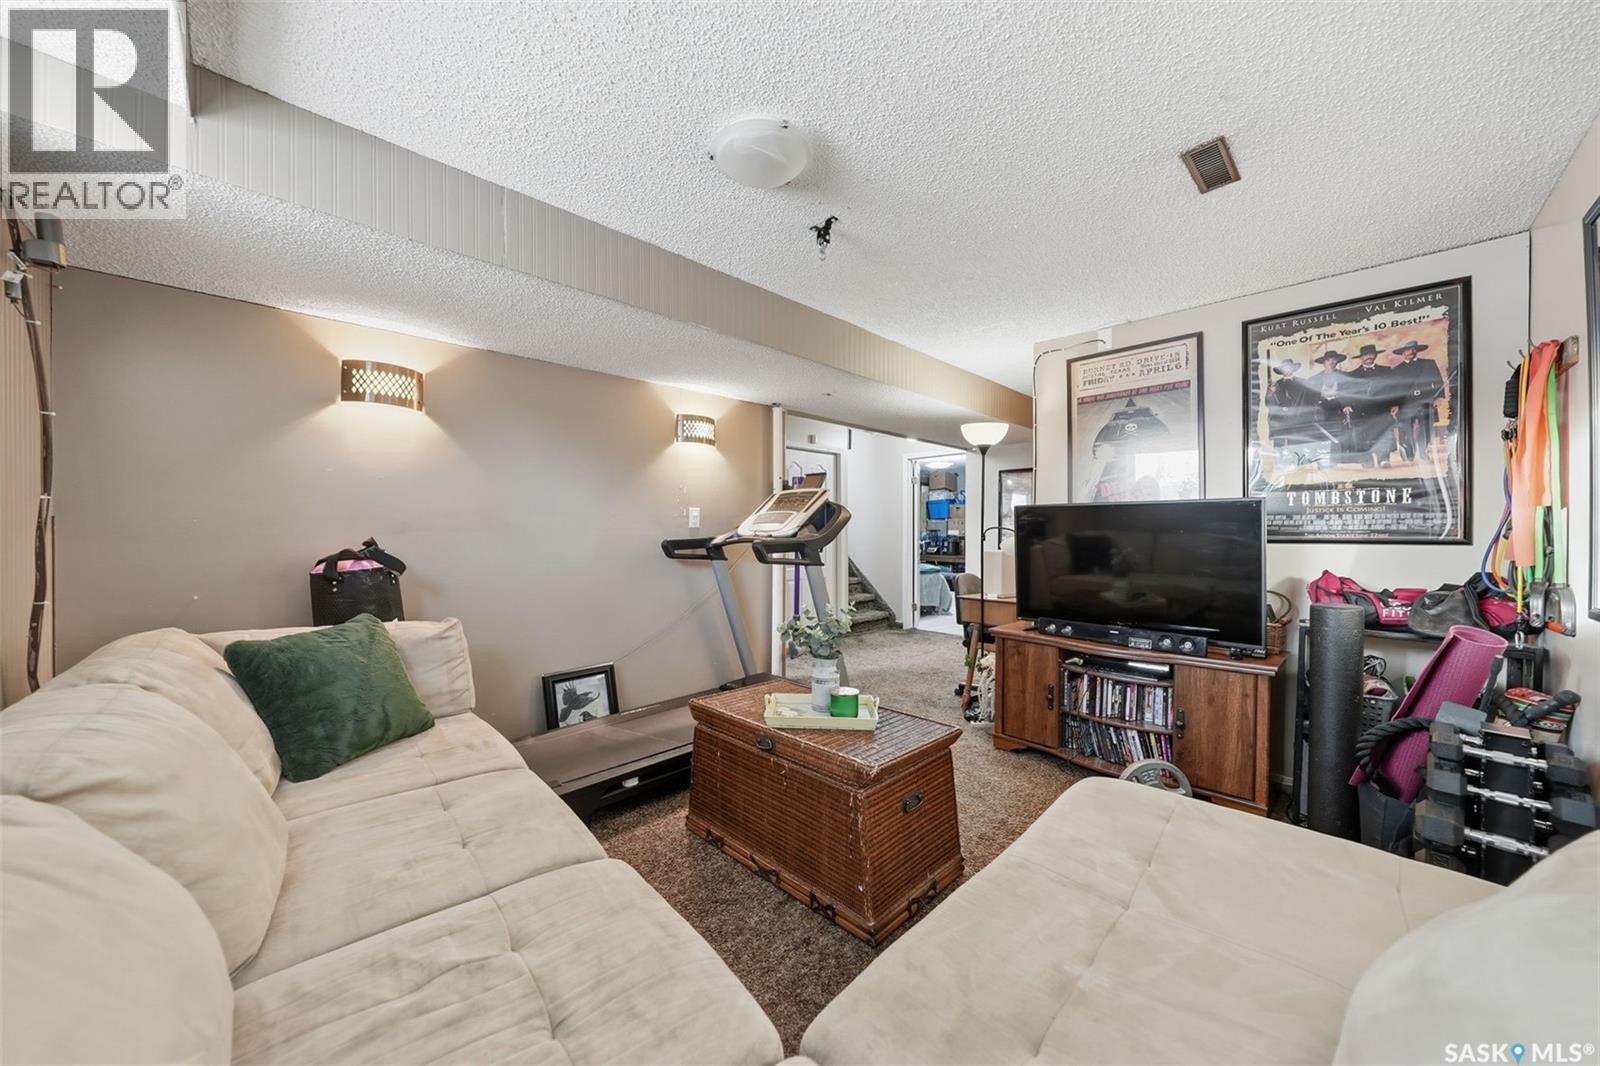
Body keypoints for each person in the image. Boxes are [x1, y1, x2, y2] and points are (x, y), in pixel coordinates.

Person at [1343, 343, 1401, 467]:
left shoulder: (1386, 371)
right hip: (1360, 411)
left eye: (1371, 354)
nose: (1368, 357)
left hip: (1381, 410)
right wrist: (1346, 404)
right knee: (1361, 436)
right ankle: (1366, 460)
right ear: (1361, 358)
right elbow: (1345, 392)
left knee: (1384, 433)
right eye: (1365, 355)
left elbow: (1396, 388)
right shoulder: (1352, 375)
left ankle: (1383, 459)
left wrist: (1396, 404)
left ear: (1375, 355)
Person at [1389, 339, 1445, 463]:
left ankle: (1423, 452)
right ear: (1402, 353)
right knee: (1405, 429)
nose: (1411, 352)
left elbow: (1438, 381)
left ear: (1417, 350)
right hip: (1406, 404)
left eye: (1414, 349)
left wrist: (1439, 396)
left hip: (1426, 401)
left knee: (1427, 428)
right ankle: (1409, 454)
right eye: (1408, 350)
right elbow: (1394, 389)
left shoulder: (1429, 364)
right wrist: (1395, 404)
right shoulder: (1396, 370)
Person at [1265, 358, 1315, 476]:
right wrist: (1270, 393)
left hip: (1297, 421)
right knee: (1279, 447)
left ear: (1293, 369)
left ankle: (1299, 472)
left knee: (1297, 446)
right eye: (1284, 368)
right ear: (1281, 370)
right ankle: (1280, 472)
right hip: (1280, 421)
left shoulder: (1303, 383)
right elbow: (1268, 404)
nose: (1287, 370)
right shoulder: (1275, 385)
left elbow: (1309, 401)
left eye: (1289, 367)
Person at [1305, 350, 1353, 464]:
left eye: (1333, 360)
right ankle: (1324, 460)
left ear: (1337, 361)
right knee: (1322, 432)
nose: (1331, 362)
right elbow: (1310, 398)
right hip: (1321, 408)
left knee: (1340, 432)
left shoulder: (1344, 376)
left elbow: (1350, 393)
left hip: (1339, 406)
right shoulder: (1314, 379)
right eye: (1328, 360)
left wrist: (1347, 405)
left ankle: (1341, 459)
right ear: (1323, 362)